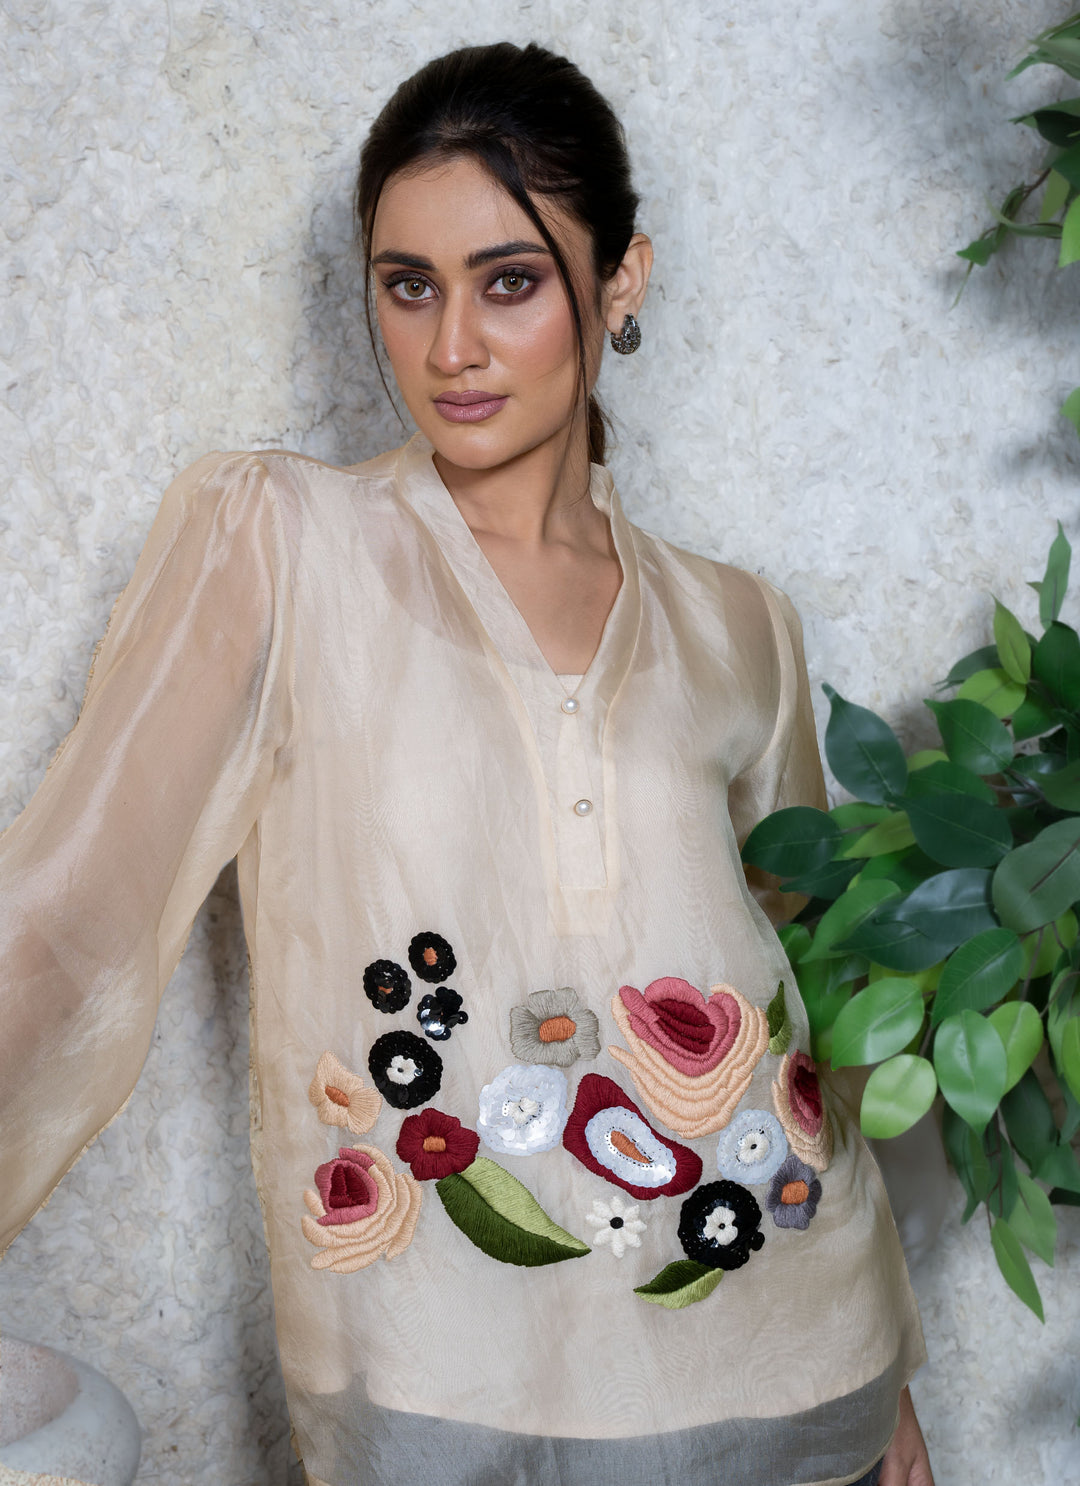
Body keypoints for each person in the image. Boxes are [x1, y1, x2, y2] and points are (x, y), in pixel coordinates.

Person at [0, 40, 934, 1486]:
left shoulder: (737, 621)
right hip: (433, 1395)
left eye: (510, 281)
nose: (450, 348)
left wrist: (893, 1393)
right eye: (407, 283)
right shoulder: (279, 546)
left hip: (795, 1371)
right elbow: (60, 929)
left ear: (619, 282)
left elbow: (816, 1005)